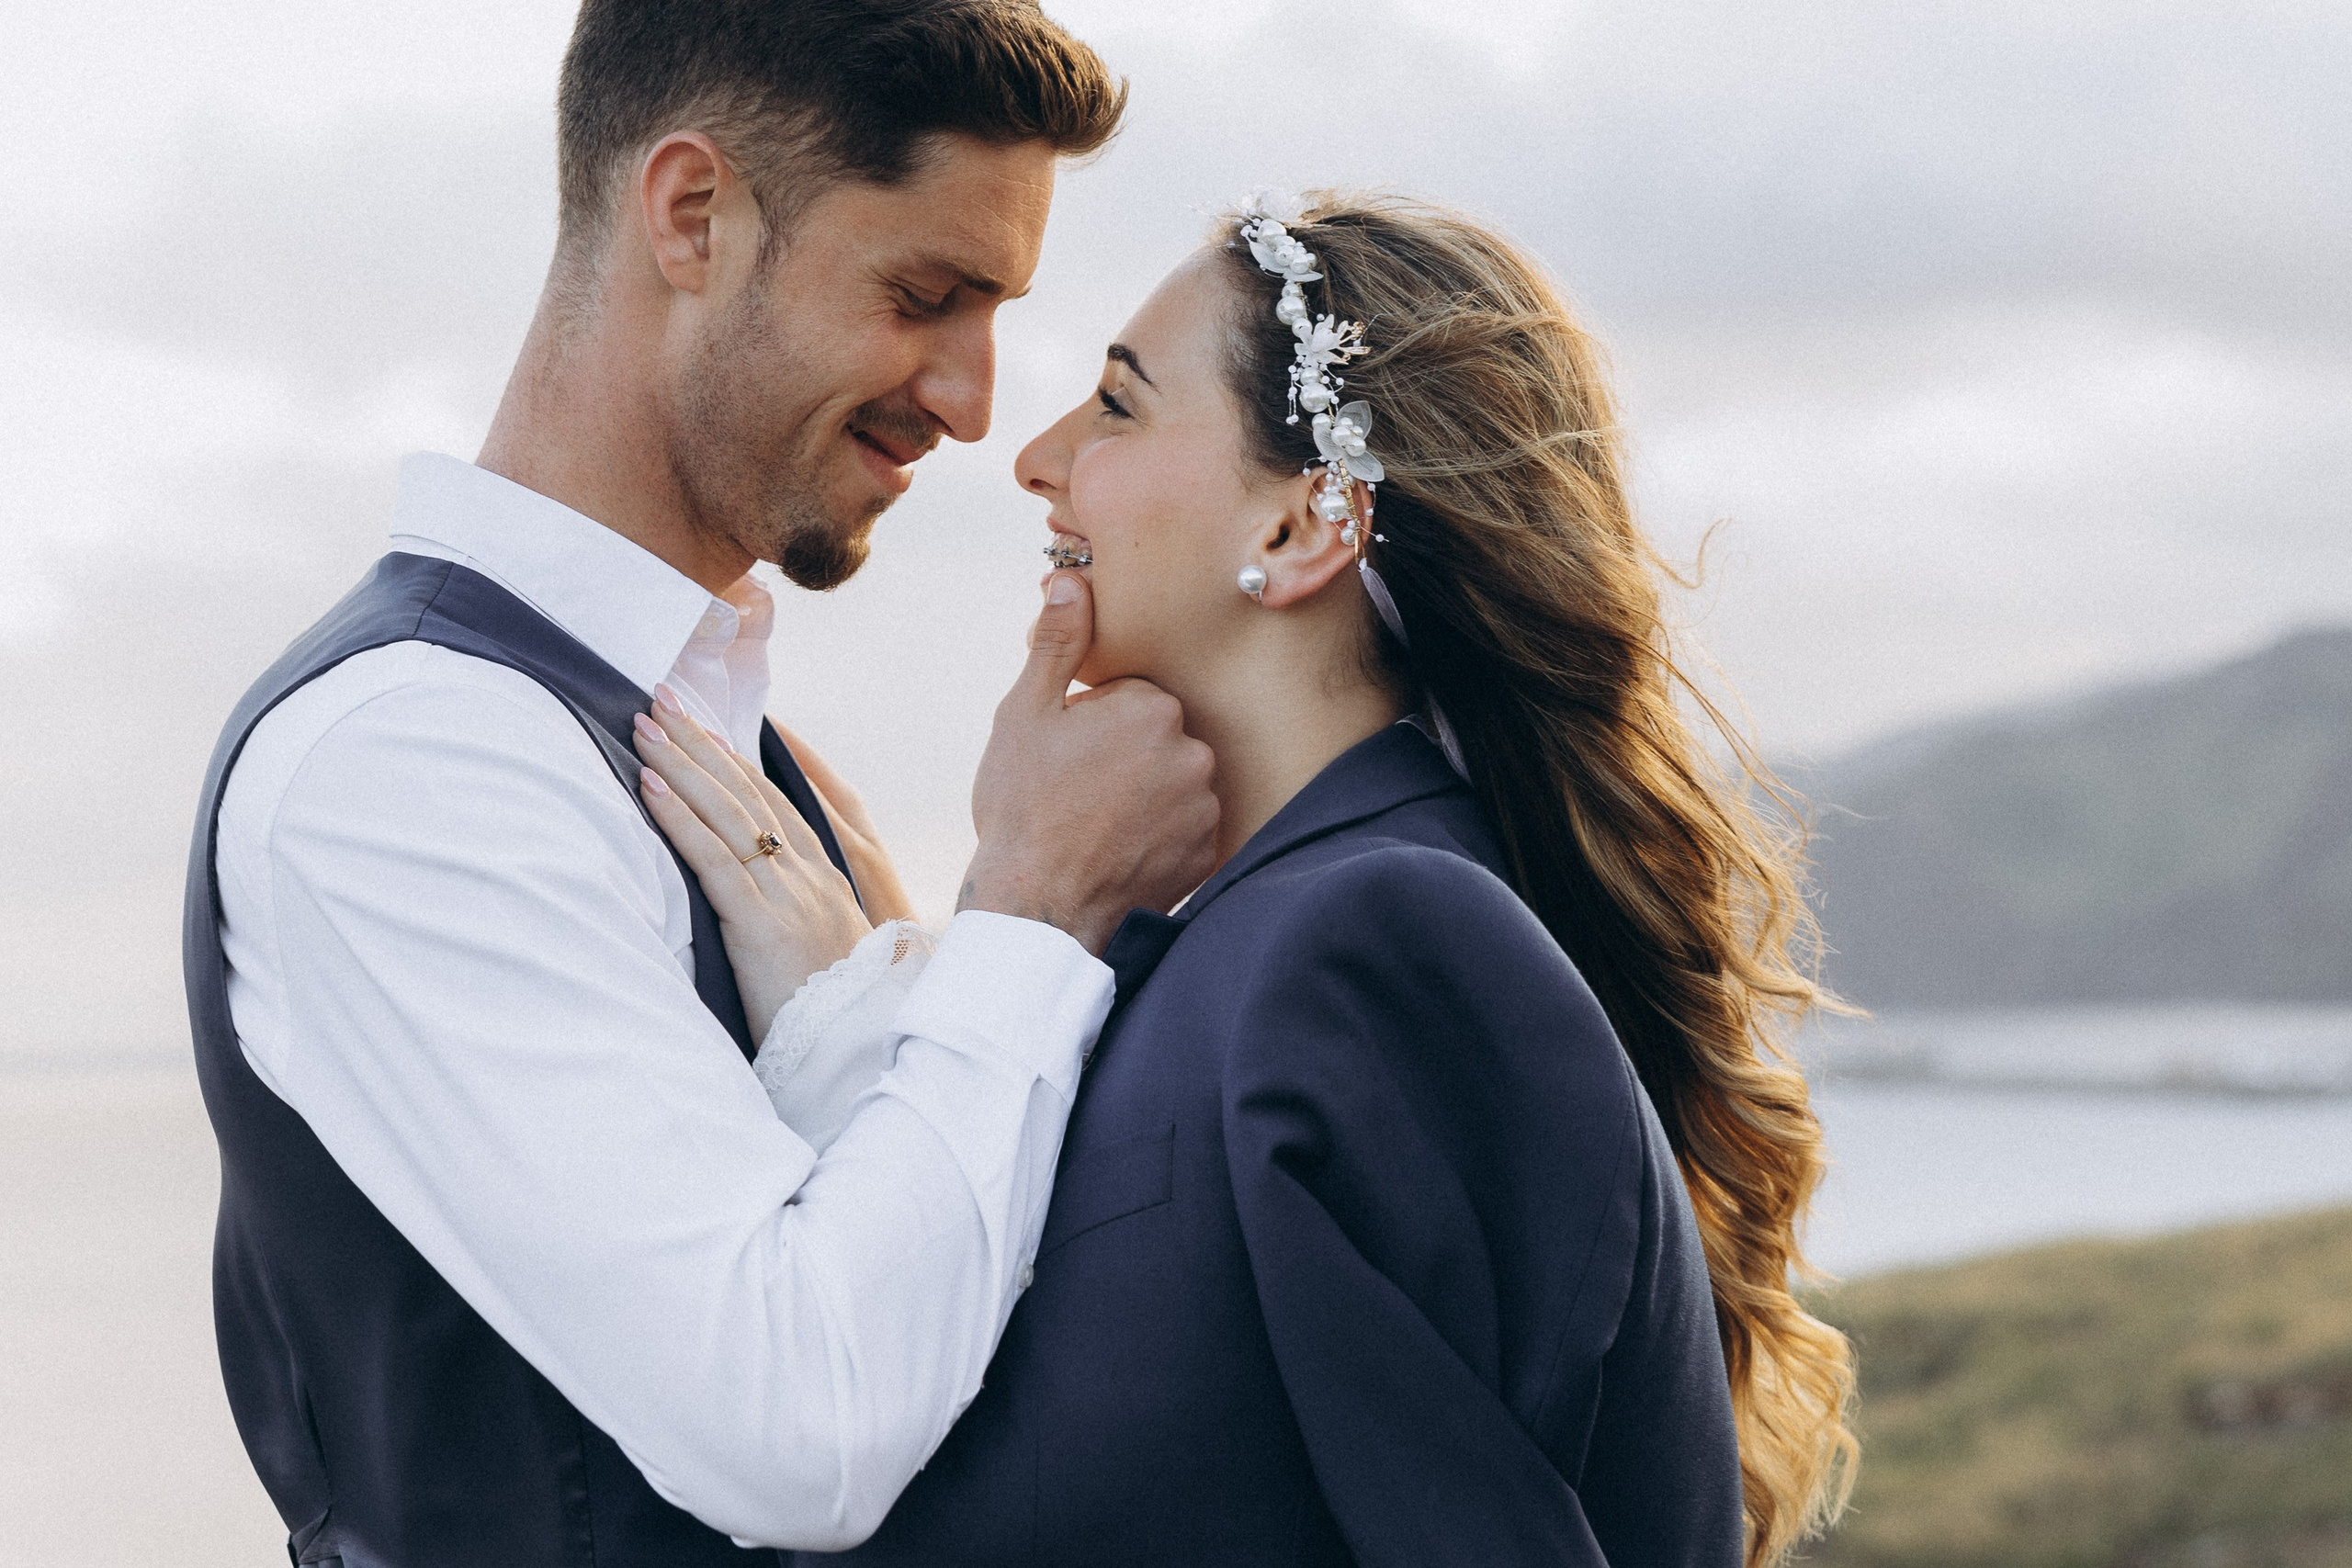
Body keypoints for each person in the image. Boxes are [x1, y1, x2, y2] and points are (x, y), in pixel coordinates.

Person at [641, 195, 1862, 1566]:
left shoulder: (1381, 949)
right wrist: (885, 1030)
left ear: (1304, 528)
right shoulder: (1226, 947)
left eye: (1116, 404)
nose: (1038, 459)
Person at [180, 4, 1219, 1564]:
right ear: (692, 216)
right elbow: (796, 1432)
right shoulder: (401, 763)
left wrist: (903, 998)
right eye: (926, 295)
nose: (975, 400)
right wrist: (1032, 917)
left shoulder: (739, 751)